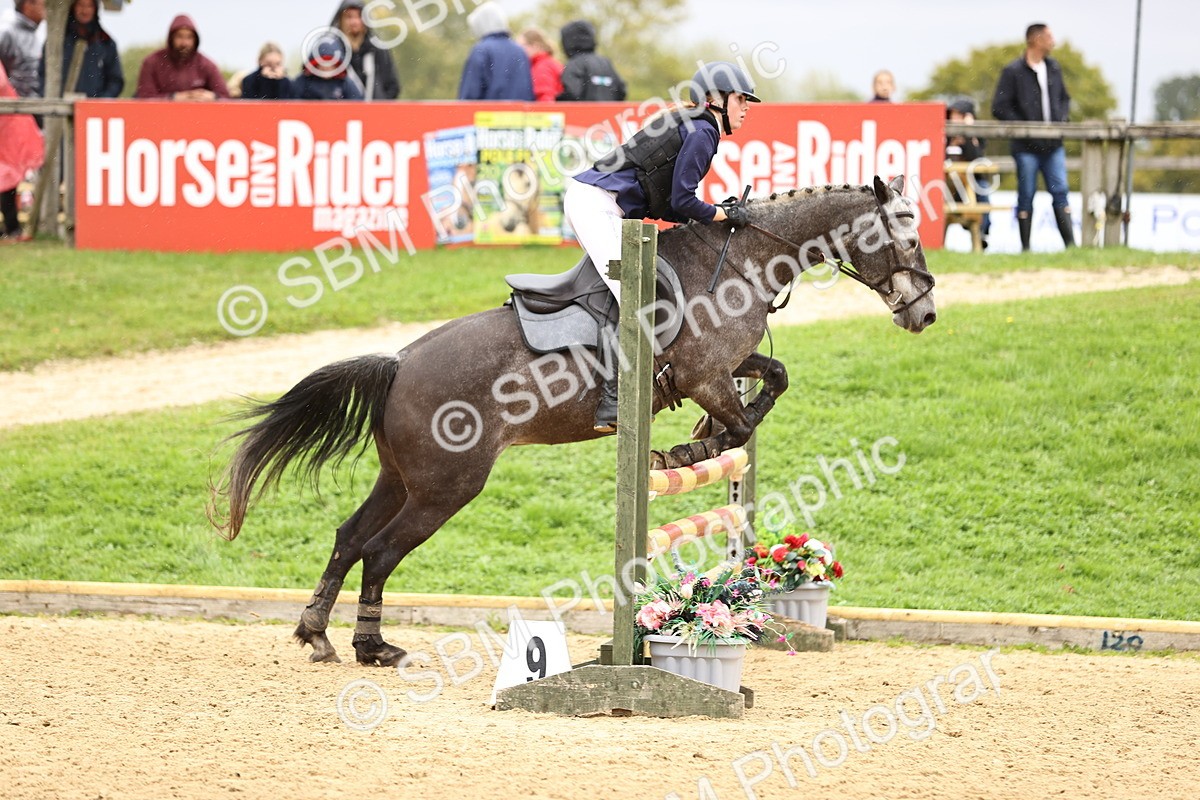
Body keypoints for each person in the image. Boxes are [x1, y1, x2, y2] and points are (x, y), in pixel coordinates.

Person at [566, 61, 759, 432]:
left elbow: (672, 205)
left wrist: (717, 213)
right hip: (595, 204)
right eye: (741, 99)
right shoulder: (705, 130)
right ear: (715, 99)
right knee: (635, 293)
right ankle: (613, 401)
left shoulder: (695, 124)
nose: (746, 107)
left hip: (596, 202)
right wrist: (722, 213)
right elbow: (684, 201)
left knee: (635, 289)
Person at [992, 22, 1074, 251]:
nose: (1053, 41)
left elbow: (1064, 99)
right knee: (1026, 195)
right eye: (1049, 36)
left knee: (1060, 191)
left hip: (1054, 145)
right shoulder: (1013, 71)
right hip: (1026, 147)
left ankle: (1071, 247)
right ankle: (1026, 249)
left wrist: (1061, 120)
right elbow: (999, 106)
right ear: (1036, 39)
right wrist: (1023, 126)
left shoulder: (1054, 68)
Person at [38, 0, 122, 99]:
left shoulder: (106, 42)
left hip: (93, 106)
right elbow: (42, 75)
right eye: (81, 5)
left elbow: (115, 81)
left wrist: (101, 101)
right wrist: (50, 99)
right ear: (73, 7)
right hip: (58, 104)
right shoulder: (56, 41)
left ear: (95, 9)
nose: (85, 10)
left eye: (89, 6)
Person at [134, 14, 228, 100]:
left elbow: (225, 98)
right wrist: (173, 97)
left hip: (198, 113)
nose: (184, 43)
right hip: (162, 113)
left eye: (189, 37)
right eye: (179, 36)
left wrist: (213, 97)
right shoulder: (152, 62)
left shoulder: (207, 65)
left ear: (195, 40)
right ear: (171, 38)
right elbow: (144, 97)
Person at [0, 59, 42, 240]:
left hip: (8, 133)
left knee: (8, 180)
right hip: (8, 131)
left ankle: (13, 228)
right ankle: (12, 228)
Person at [457, 1, 532, 101]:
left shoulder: (481, 50)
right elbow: (526, 90)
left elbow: (471, 92)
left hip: (488, 110)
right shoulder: (520, 51)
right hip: (517, 110)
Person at [945, 97, 991, 247]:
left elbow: (976, 160)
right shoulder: (944, 135)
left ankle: (983, 232)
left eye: (959, 114)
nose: (955, 118)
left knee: (983, 188)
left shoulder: (976, 136)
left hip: (971, 182)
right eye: (953, 114)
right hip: (947, 184)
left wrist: (968, 133)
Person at [331, 1, 399, 100]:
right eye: (349, 17)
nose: (354, 22)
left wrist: (379, 104)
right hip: (340, 109)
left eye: (359, 16)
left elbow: (392, 87)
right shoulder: (330, 52)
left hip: (374, 108)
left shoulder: (379, 51)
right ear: (340, 20)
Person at [557, 19, 625, 102]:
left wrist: (557, 100)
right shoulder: (605, 63)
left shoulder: (575, 64)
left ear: (567, 41)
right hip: (608, 110)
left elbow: (572, 92)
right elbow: (621, 91)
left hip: (584, 110)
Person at [292, 30, 363, 101]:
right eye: (322, 62)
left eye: (330, 62)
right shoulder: (303, 81)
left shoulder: (345, 83)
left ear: (337, 65)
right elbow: (292, 100)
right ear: (315, 64)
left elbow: (357, 102)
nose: (326, 66)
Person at [0, 0, 44, 100]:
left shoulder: (35, 33)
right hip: (12, 105)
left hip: (36, 104)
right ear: (28, 5)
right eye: (43, 4)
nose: (45, 8)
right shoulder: (7, 31)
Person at [518, 27, 562, 102]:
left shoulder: (542, 67)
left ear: (535, 46)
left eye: (522, 46)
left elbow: (545, 98)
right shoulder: (550, 62)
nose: (519, 50)